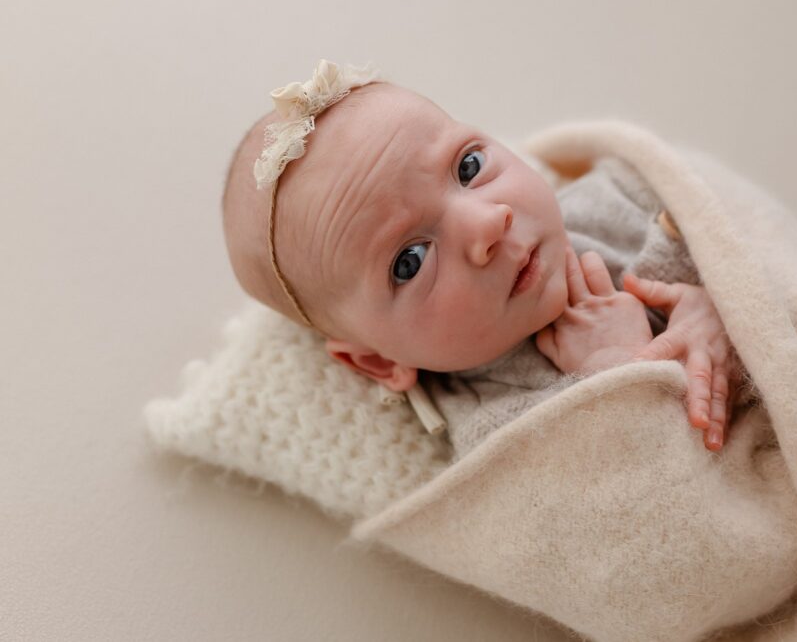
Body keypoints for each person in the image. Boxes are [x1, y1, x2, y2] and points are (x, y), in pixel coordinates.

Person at [222, 60, 748, 460]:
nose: (487, 225)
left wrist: (723, 312)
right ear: (380, 361)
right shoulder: (496, 429)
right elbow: (658, 526)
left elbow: (753, 265)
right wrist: (618, 374)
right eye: (409, 260)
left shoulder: (613, 198)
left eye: (468, 167)